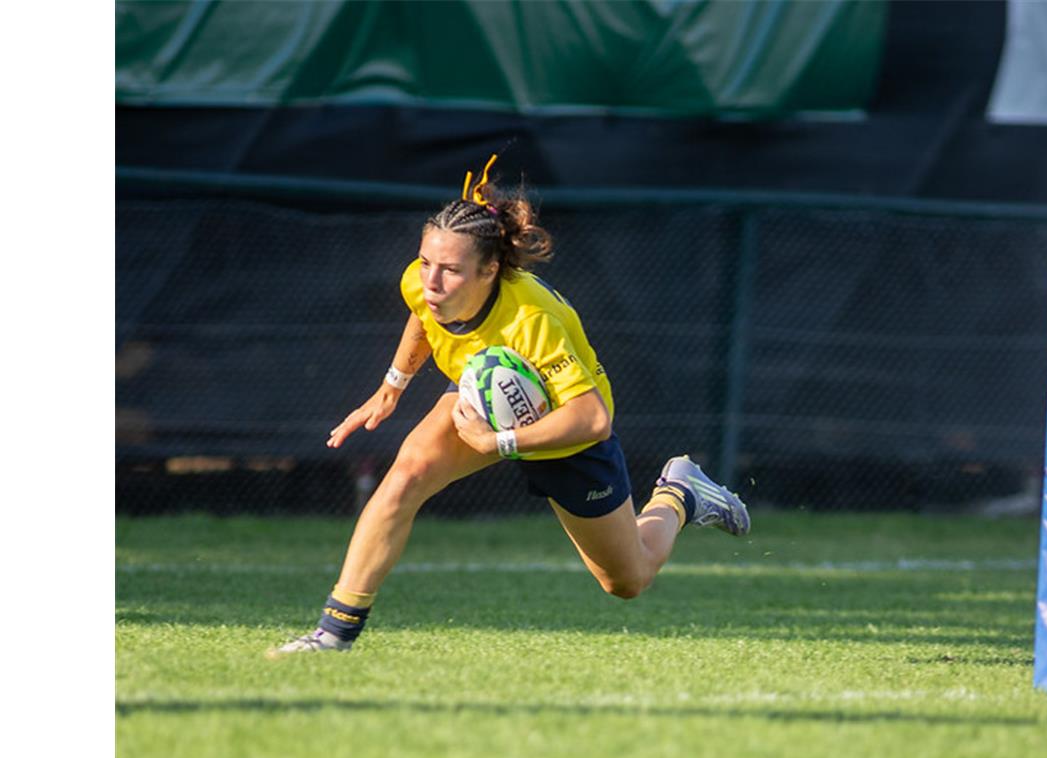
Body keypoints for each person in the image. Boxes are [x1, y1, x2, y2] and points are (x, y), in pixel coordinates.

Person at [272, 158, 750, 654]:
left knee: (627, 580)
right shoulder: (422, 281)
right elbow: (423, 314)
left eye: (451, 270)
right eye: (426, 262)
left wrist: (499, 441)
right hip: (482, 401)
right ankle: (334, 633)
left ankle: (679, 495)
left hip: (566, 432)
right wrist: (393, 384)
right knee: (406, 476)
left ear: (490, 270)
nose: (432, 281)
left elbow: (591, 417)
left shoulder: (530, 318)